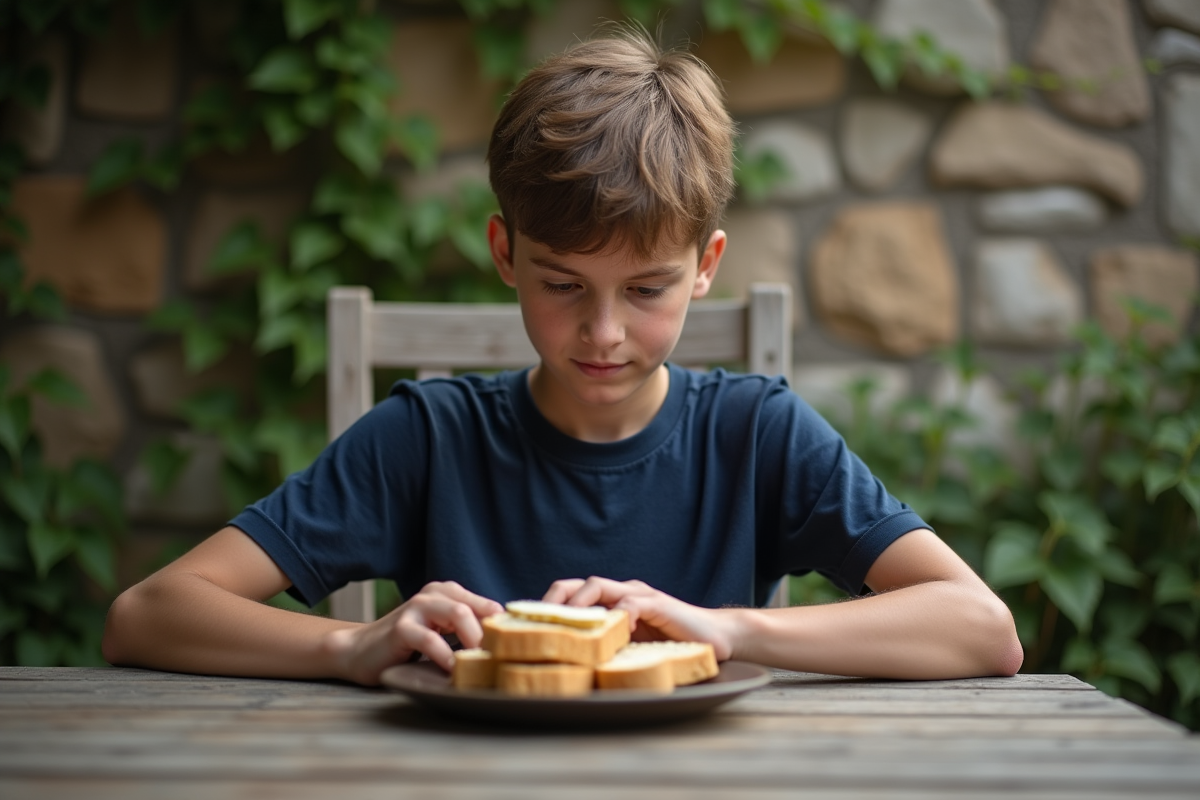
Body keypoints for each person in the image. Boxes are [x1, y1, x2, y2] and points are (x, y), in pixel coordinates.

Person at [102, 27, 1023, 687]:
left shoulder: (756, 433)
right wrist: (349, 647)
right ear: (505, 253)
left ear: (706, 267)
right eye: (563, 284)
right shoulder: (428, 438)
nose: (604, 332)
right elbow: (147, 614)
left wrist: (728, 630)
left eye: (647, 290)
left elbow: (983, 630)